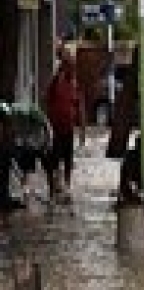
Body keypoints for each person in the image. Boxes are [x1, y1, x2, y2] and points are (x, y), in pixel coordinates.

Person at [45, 46, 85, 202]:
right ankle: (53, 188)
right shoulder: (55, 82)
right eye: (68, 64)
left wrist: (82, 130)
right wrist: (47, 124)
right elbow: (46, 101)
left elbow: (80, 107)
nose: (70, 68)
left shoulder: (75, 84)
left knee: (67, 158)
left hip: (68, 128)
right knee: (53, 159)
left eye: (72, 65)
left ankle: (66, 187)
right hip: (55, 128)